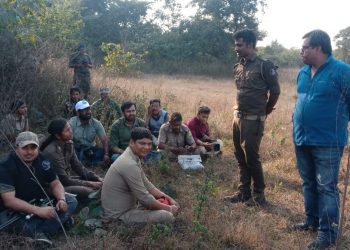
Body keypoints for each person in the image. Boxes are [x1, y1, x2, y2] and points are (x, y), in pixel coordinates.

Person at [291, 30, 350, 250]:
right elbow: (301, 102)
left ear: (318, 48)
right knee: (309, 183)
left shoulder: (343, 71)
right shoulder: (303, 73)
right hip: (302, 138)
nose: (301, 51)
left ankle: (328, 233)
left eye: (305, 47)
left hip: (329, 141)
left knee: (327, 187)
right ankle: (311, 221)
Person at [224, 29, 280, 206]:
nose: (236, 48)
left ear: (250, 45)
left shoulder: (264, 65)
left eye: (239, 45)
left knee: (252, 158)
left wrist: (267, 109)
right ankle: (244, 192)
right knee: (240, 156)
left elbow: (276, 91)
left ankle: (259, 195)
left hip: (254, 119)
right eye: (236, 44)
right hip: (238, 117)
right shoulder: (238, 66)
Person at [0, 132, 77, 246]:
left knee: (71, 200)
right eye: (25, 148)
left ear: (38, 147)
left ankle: (39, 232)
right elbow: (9, 201)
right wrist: (38, 211)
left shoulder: (42, 159)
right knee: (12, 224)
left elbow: (55, 183)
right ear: (17, 148)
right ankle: (54, 225)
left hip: (38, 202)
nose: (29, 152)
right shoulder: (5, 166)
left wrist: (61, 199)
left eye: (33, 147)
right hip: (13, 212)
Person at [101, 127, 180, 224]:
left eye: (149, 144)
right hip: (118, 216)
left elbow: (148, 185)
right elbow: (144, 198)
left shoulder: (132, 156)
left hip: (128, 208)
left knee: (159, 200)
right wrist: (170, 209)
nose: (147, 147)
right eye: (142, 143)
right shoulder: (129, 163)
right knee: (167, 216)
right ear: (131, 142)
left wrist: (169, 198)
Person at [41, 118, 103, 202]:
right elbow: (64, 180)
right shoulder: (51, 153)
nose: (71, 131)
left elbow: (78, 166)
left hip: (66, 180)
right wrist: (90, 183)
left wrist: (95, 178)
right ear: (57, 136)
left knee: (99, 183)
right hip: (54, 187)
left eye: (70, 128)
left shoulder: (69, 144)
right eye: (67, 130)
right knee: (91, 191)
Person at [69, 100, 110, 166]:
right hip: (77, 149)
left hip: (91, 149)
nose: (88, 112)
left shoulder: (96, 123)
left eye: (88, 109)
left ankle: (87, 162)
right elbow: (67, 140)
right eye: (84, 110)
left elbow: (104, 140)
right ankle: (92, 163)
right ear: (78, 113)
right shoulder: (72, 123)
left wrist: (106, 154)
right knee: (74, 154)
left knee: (104, 152)